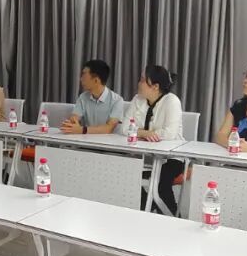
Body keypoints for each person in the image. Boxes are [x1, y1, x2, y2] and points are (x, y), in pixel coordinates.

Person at [121, 65, 185, 212]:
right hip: (143, 156)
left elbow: (169, 134)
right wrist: (145, 134)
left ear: (155, 86)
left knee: (160, 184)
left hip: (171, 158)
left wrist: (138, 132)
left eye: (143, 80)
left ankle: (171, 218)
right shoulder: (137, 99)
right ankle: (147, 211)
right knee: (125, 177)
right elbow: (124, 128)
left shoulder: (171, 101)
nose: (139, 83)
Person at [61, 59, 126, 135]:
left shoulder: (117, 100)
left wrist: (82, 130)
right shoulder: (83, 97)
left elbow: (108, 128)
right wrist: (70, 124)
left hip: (108, 141)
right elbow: (74, 118)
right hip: (86, 140)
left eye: (84, 75)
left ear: (96, 80)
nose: (80, 79)